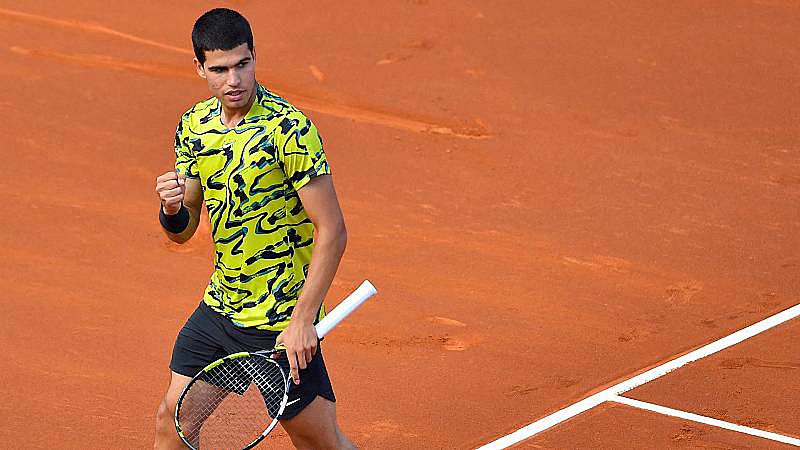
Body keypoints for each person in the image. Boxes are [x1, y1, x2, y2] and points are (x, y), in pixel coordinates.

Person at [152, 8, 354, 449]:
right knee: (173, 419)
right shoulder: (194, 126)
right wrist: (170, 209)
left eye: (242, 64)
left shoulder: (289, 129)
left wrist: (302, 320)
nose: (234, 81)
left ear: (254, 56)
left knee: (318, 441)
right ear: (199, 68)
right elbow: (184, 230)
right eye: (220, 69)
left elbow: (333, 231)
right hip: (220, 309)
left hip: (280, 321)